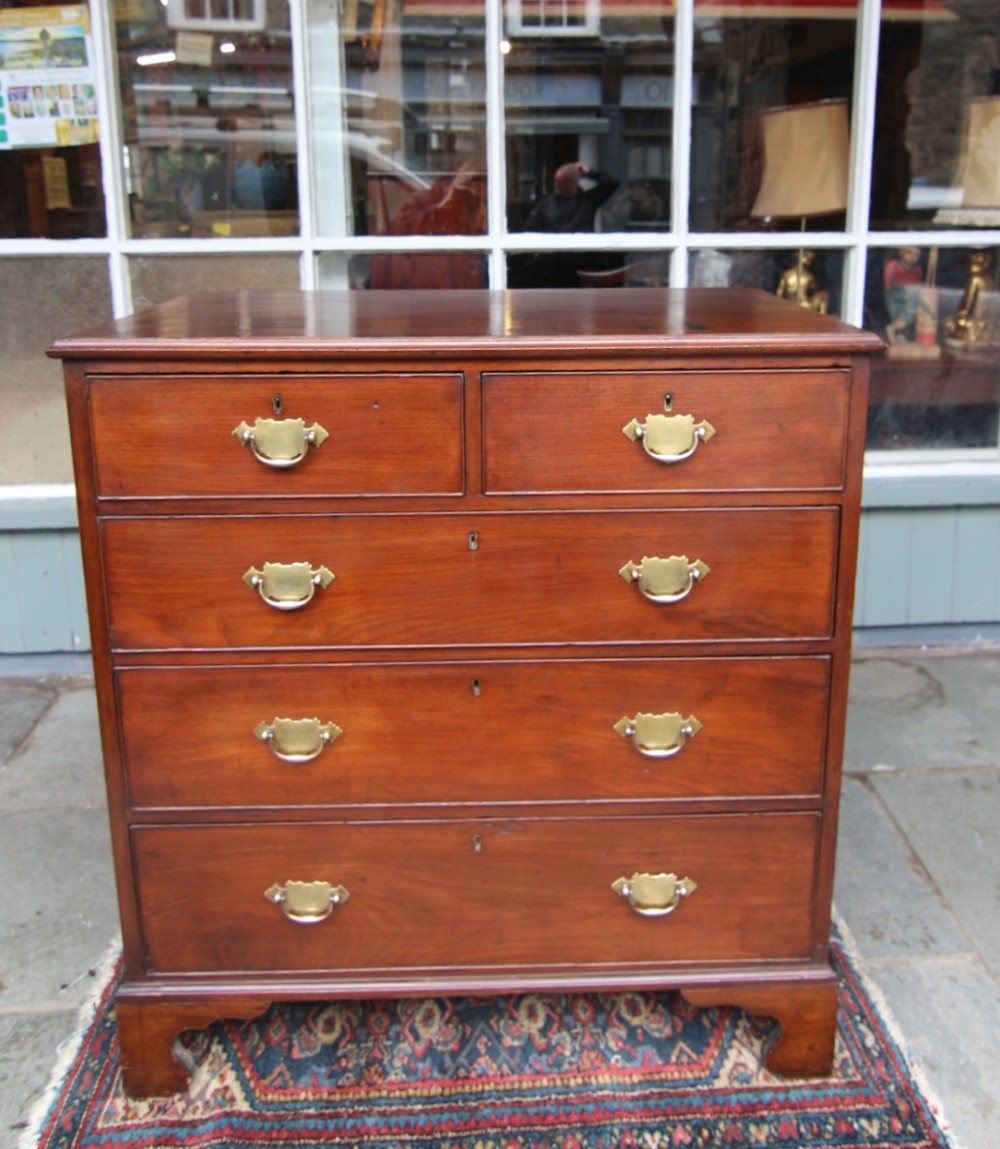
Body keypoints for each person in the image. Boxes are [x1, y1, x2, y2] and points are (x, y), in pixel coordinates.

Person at [524, 162, 619, 233]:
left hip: (583, 256)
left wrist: (589, 173)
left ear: (573, 183)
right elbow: (529, 231)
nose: (557, 185)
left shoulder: (587, 201)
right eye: (556, 181)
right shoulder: (545, 206)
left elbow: (612, 183)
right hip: (555, 256)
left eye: (562, 182)